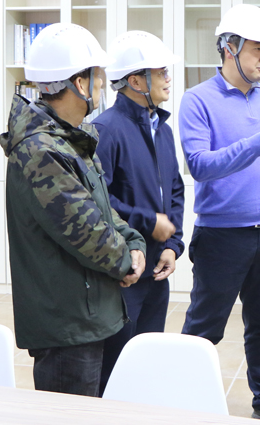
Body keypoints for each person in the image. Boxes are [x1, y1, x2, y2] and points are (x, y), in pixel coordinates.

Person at [0, 23, 147, 397]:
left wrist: (133, 241)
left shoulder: (71, 138)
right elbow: (86, 231)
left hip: (85, 312)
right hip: (66, 323)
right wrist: (126, 261)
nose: (103, 84)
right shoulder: (41, 150)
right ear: (80, 83)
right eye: (97, 76)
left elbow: (102, 209)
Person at [179, 4, 260, 424]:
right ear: (229, 48)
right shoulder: (197, 99)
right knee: (204, 328)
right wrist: (258, 143)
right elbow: (200, 165)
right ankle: (182, 400)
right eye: (258, 50)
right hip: (221, 235)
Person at [94, 31, 185, 393]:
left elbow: (174, 190)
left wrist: (172, 245)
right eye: (161, 72)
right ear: (135, 81)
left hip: (157, 270)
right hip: (124, 272)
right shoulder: (105, 130)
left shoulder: (162, 128)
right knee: (117, 367)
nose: (168, 78)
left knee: (148, 361)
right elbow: (98, 203)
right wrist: (148, 222)